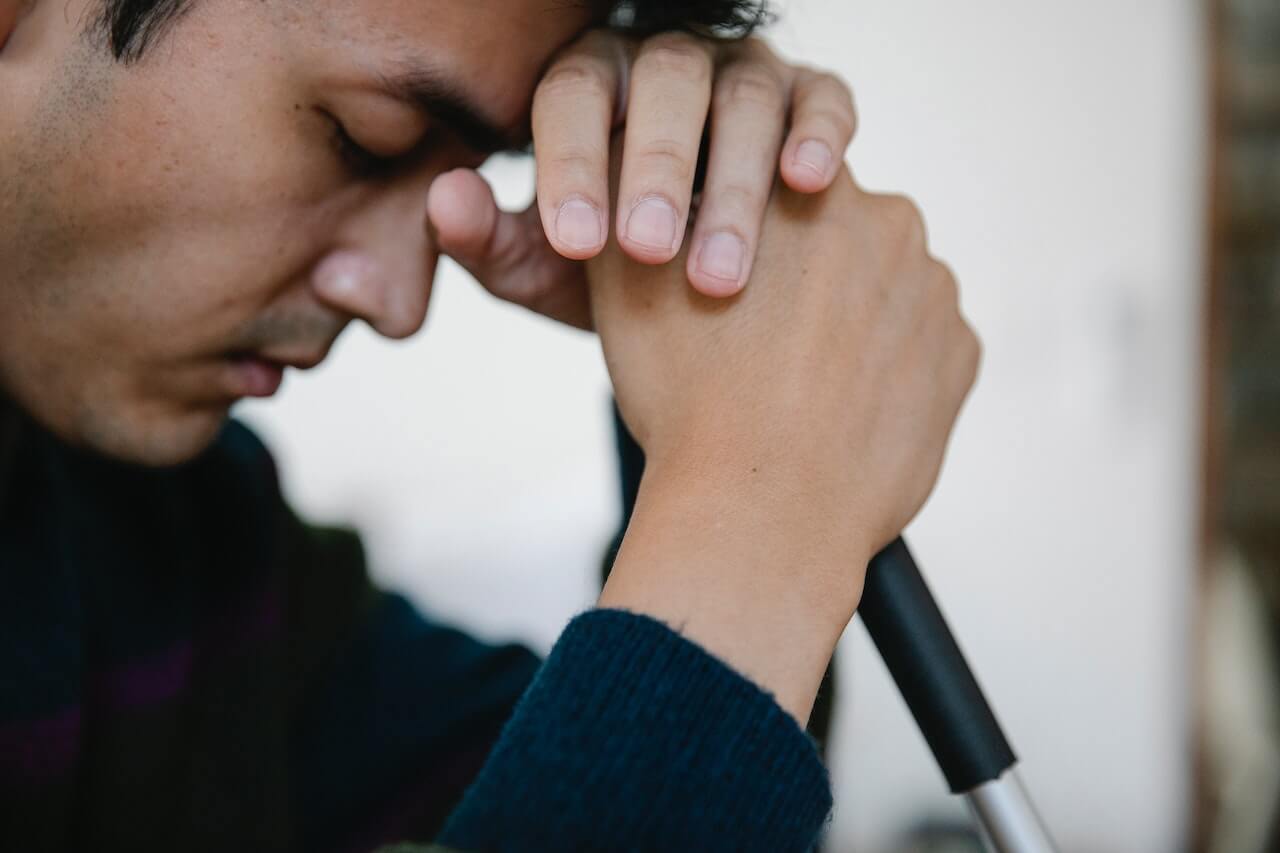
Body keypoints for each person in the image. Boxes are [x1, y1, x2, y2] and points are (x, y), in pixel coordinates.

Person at [0, 0, 980, 850]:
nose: (397, 300)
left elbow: (590, 794)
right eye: (366, 138)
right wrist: (755, 515)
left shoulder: (188, 537)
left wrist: (701, 332)